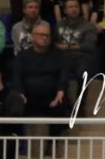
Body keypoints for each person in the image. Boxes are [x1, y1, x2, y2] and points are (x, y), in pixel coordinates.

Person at [10, 22, 73, 150]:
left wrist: (61, 91)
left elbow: (64, 74)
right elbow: (16, 76)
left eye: (47, 35)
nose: (45, 38)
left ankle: (53, 143)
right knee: (13, 101)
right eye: (41, 35)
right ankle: (15, 141)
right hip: (28, 98)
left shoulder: (59, 55)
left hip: (51, 98)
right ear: (32, 36)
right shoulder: (23, 55)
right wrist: (20, 93)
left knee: (62, 103)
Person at [55, 0, 99, 89]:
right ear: (65, 10)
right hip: (61, 56)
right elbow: (53, 41)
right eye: (70, 7)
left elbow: (90, 46)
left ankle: (80, 98)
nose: (74, 9)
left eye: (76, 7)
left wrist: (69, 47)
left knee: (83, 72)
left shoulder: (88, 26)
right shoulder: (59, 24)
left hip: (81, 57)